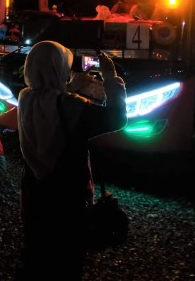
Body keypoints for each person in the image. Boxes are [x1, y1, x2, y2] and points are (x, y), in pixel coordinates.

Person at [16, 41, 126, 279]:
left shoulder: (24, 98)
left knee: (37, 252)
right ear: (59, 69)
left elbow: (51, 106)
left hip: (34, 191)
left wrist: (71, 89)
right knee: (68, 258)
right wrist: (111, 78)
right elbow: (117, 118)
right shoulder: (73, 105)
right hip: (68, 194)